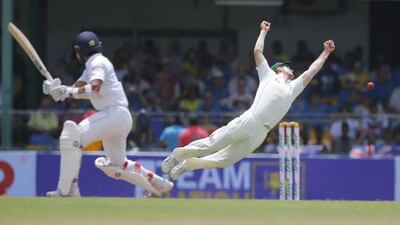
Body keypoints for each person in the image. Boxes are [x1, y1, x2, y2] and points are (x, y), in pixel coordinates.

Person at [161, 20, 336, 180]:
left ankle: (187, 165)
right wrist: (263, 31)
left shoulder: (293, 88)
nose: (292, 70)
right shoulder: (268, 75)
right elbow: (257, 51)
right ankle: (177, 155)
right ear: (279, 69)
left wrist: (325, 53)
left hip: (261, 133)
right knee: (213, 143)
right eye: (288, 67)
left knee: (223, 161)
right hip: (250, 119)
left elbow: (311, 72)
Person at [42, 31, 173, 197]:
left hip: (113, 114)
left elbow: (93, 88)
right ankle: (161, 185)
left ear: (78, 53)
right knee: (117, 164)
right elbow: (77, 89)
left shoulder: (97, 64)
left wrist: (66, 91)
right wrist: (57, 90)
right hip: (119, 117)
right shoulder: (94, 64)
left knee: (71, 136)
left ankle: (67, 191)